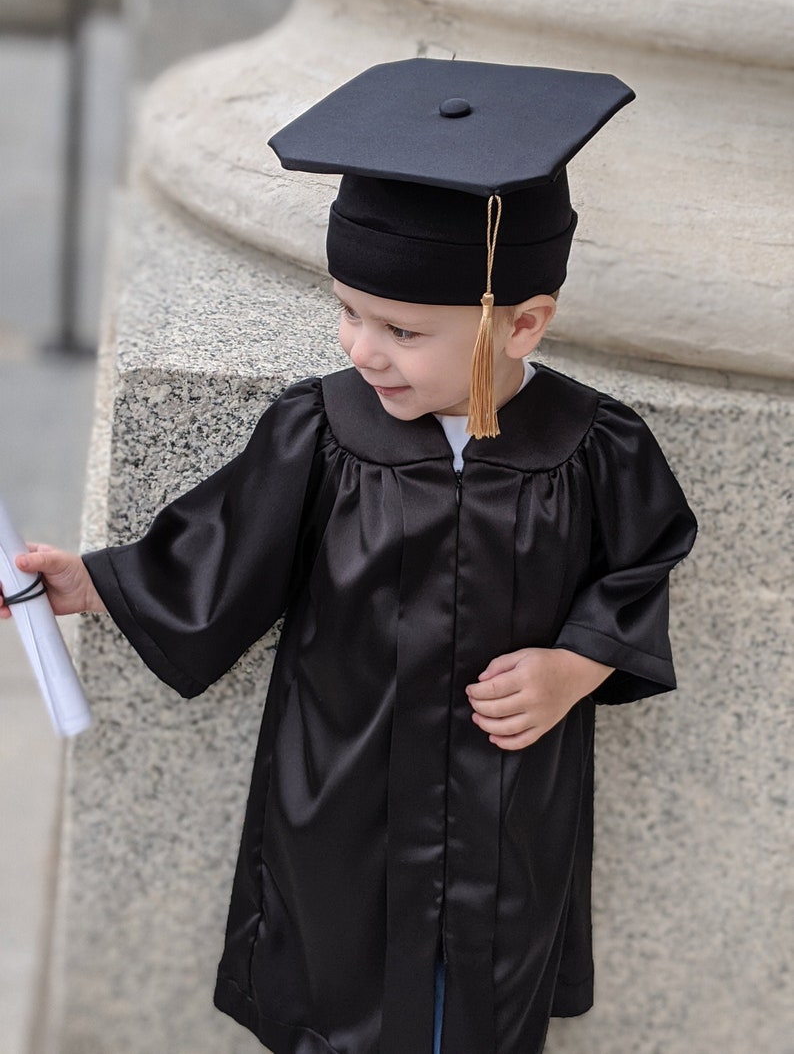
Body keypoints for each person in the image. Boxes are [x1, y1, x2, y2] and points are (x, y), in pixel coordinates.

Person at [0, 60, 697, 1054]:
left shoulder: (591, 446)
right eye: (349, 312)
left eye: (402, 331)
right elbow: (221, 550)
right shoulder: (322, 431)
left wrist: (574, 665)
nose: (363, 350)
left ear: (523, 323)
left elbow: (643, 559)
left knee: (476, 1005)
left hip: (503, 813)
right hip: (342, 794)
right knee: (337, 994)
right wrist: (93, 582)